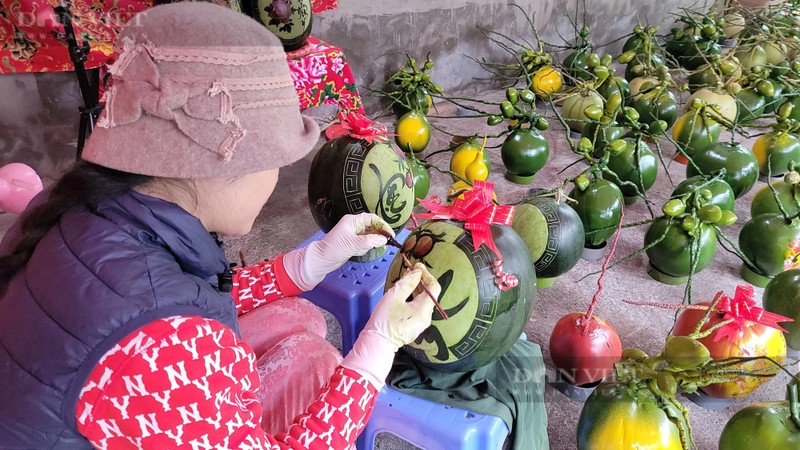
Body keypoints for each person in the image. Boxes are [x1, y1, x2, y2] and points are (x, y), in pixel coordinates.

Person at [0, 3, 441, 449]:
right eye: (276, 164)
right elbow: (165, 324)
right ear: (216, 163)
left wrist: (310, 262)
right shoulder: (162, 347)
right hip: (141, 384)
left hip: (120, 399)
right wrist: (378, 348)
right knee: (322, 358)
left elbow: (185, 298)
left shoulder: (75, 206)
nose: (275, 180)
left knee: (303, 319)